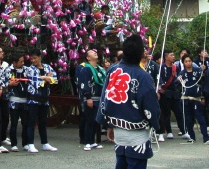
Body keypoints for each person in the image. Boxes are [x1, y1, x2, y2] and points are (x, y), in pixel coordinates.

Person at [96, 34, 161, 169]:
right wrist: (155, 122)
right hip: (137, 133)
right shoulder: (143, 76)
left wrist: (108, 124)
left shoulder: (113, 70)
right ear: (140, 54)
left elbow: (105, 99)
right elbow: (151, 107)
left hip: (118, 131)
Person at [24, 48, 58, 153]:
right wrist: (46, 78)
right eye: (31, 59)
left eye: (35, 58)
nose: (33, 61)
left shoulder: (47, 67)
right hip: (33, 99)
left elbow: (55, 79)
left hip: (44, 99)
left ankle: (45, 143)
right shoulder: (30, 69)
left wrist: (45, 78)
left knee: (43, 122)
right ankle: (30, 144)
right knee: (32, 122)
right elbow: (35, 82)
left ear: (39, 57)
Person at [77, 49, 106, 151]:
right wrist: (88, 97)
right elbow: (84, 84)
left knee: (96, 121)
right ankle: (87, 141)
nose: (95, 52)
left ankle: (93, 141)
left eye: (95, 52)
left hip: (99, 98)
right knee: (89, 120)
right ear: (88, 57)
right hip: (91, 98)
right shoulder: (86, 69)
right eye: (92, 53)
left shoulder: (100, 69)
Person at [178, 54, 208, 143]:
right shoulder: (182, 73)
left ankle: (206, 137)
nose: (188, 63)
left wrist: (203, 71)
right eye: (186, 61)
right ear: (183, 63)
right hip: (186, 99)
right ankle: (192, 137)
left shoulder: (198, 71)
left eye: (189, 61)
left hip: (196, 98)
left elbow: (203, 83)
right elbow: (178, 86)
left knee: (200, 118)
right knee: (188, 119)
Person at [157, 50, 184, 141]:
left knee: (179, 112)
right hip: (165, 93)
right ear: (166, 57)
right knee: (166, 113)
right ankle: (169, 131)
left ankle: (183, 130)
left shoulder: (175, 67)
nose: (173, 56)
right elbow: (159, 81)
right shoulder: (161, 67)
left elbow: (180, 77)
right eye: (171, 55)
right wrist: (160, 89)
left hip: (175, 93)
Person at [6, 54, 29, 152]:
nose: (23, 63)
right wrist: (9, 84)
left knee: (25, 123)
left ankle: (25, 143)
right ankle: (13, 144)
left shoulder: (27, 70)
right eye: (21, 62)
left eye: (23, 61)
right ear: (14, 63)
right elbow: (2, 82)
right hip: (14, 99)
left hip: (24, 99)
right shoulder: (8, 70)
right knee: (14, 123)